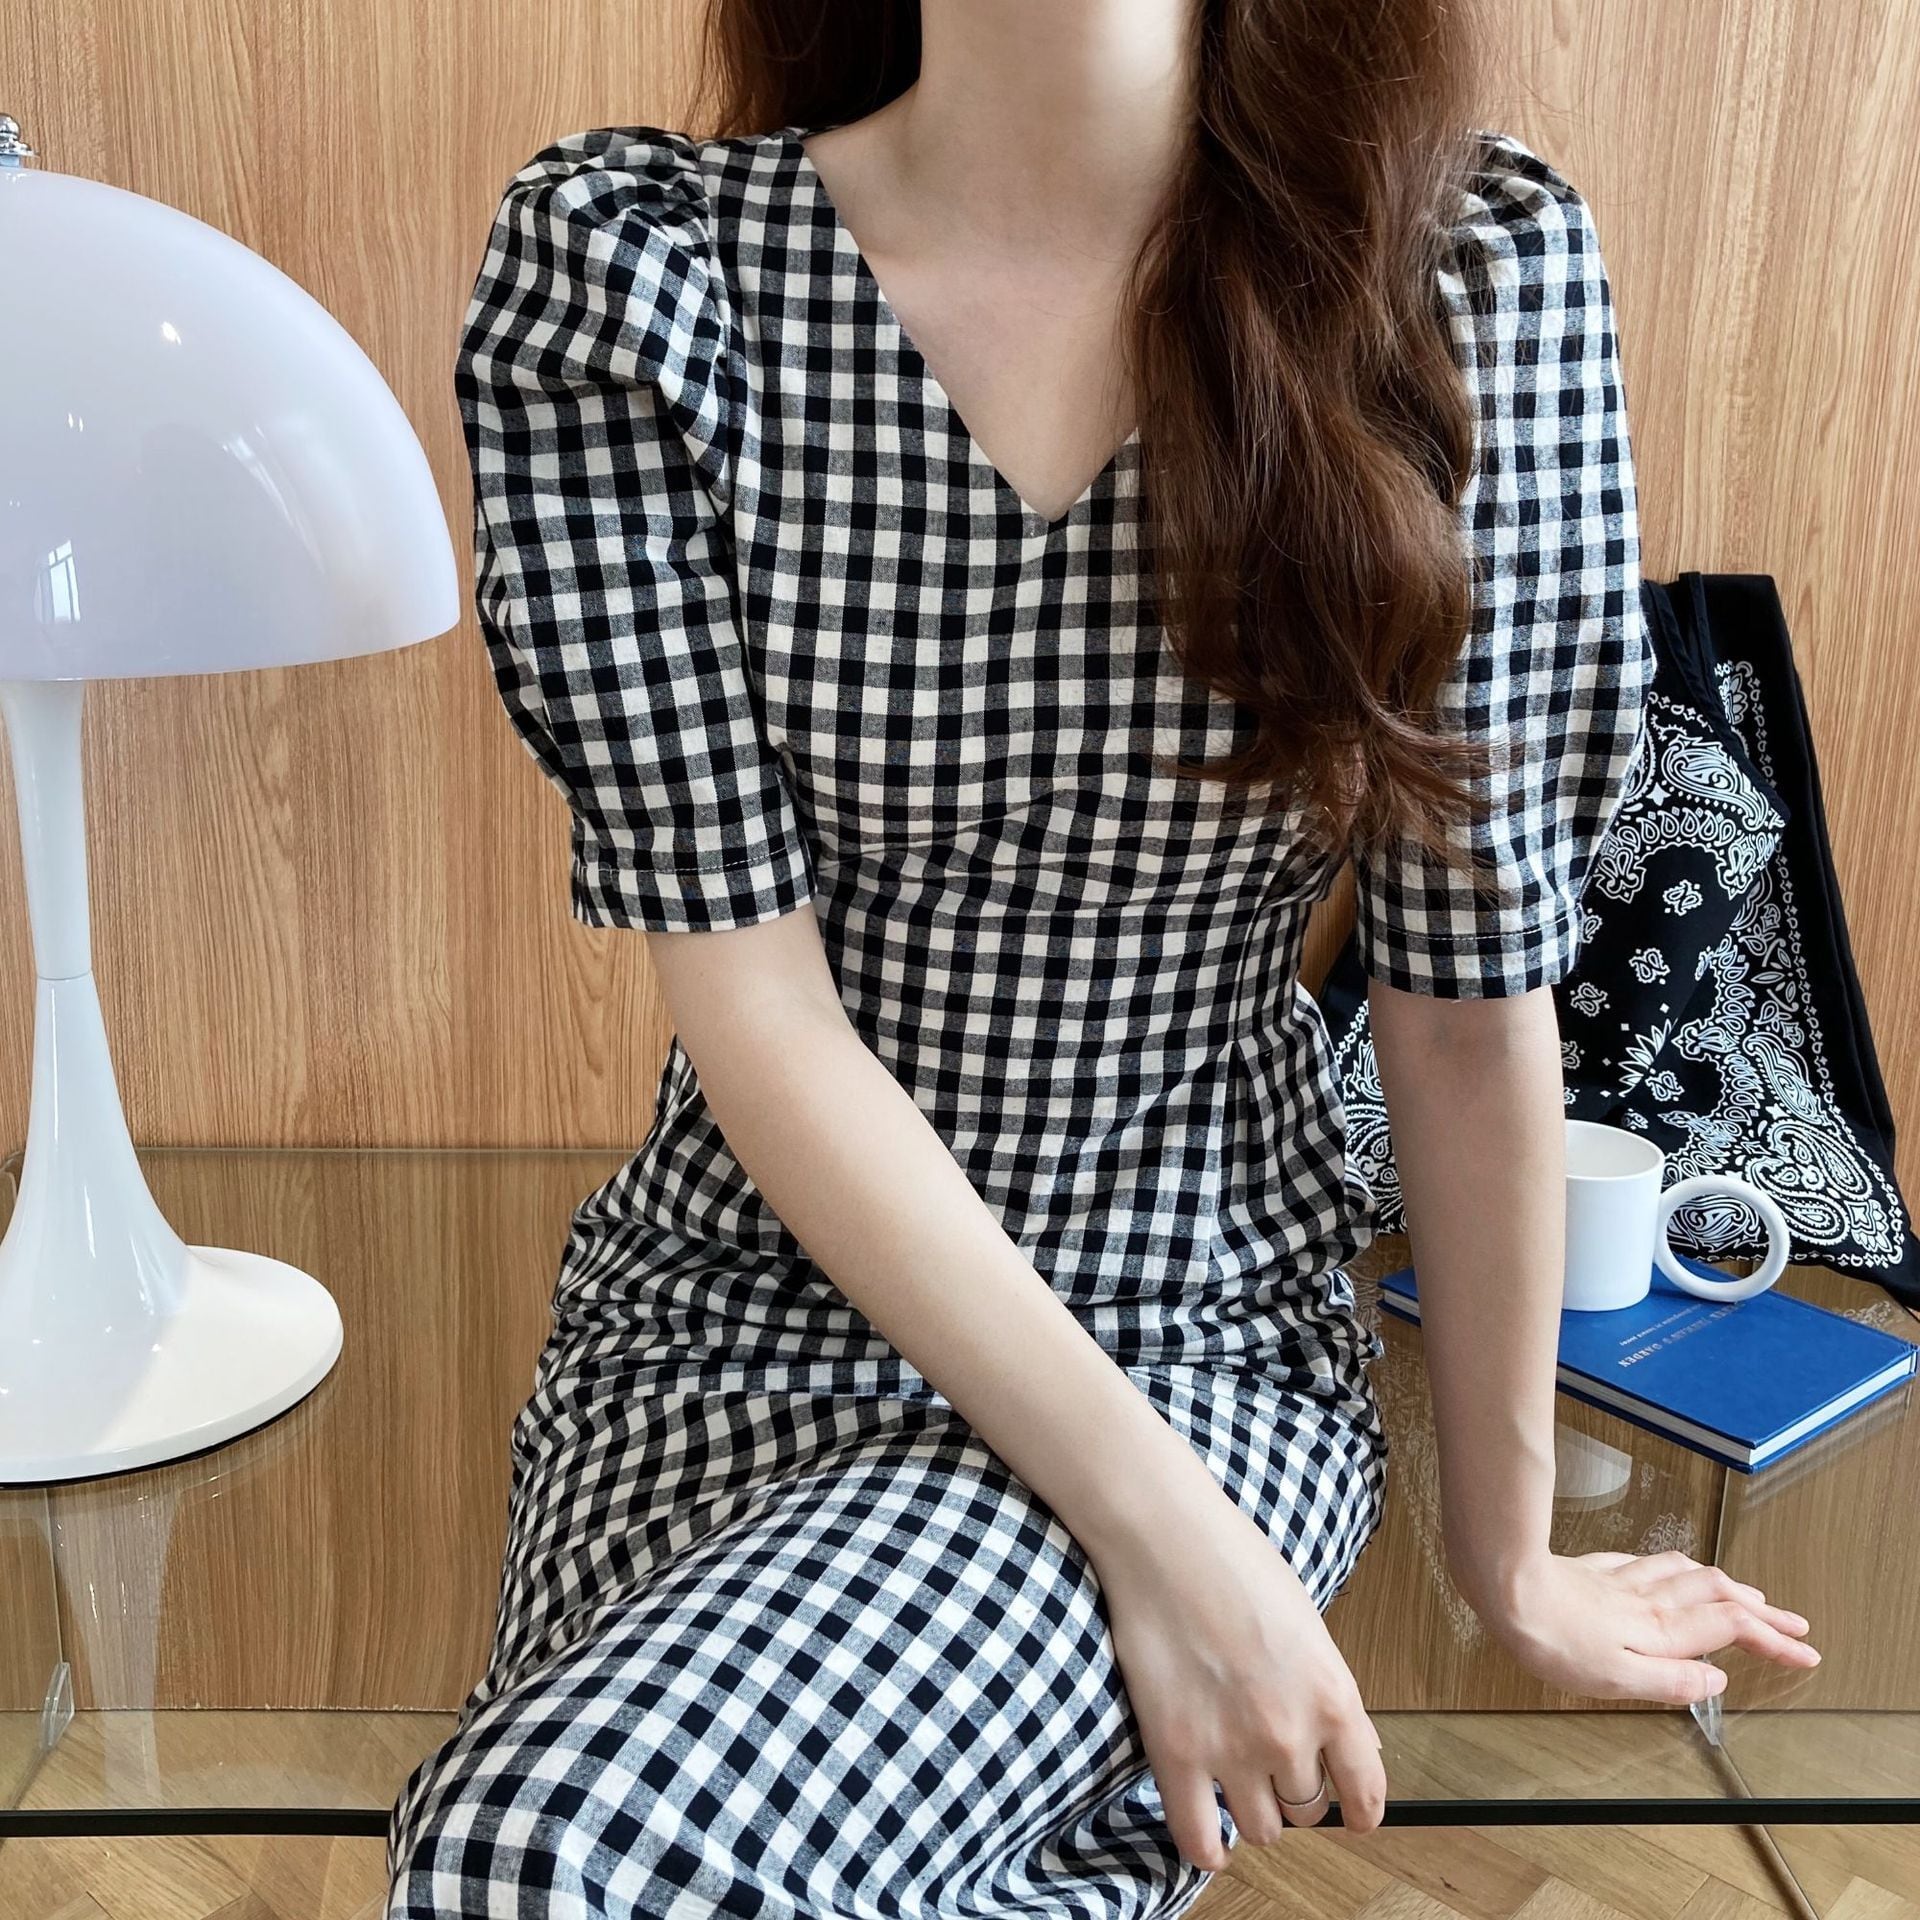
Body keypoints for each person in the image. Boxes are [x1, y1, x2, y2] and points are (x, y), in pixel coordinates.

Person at [387, 1, 1820, 1913]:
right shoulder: (641, 274)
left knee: (540, 1852)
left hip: (1189, 1324)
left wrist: (1510, 1562)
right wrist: (1177, 1551)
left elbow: (1465, 999)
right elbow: (760, 1011)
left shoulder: (1454, 278)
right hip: (734, 1313)